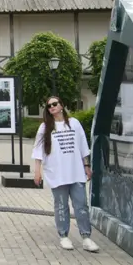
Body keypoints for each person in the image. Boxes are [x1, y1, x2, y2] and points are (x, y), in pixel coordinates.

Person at [32, 96, 100, 252]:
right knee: (61, 206)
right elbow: (38, 152)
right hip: (57, 173)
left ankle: (86, 237)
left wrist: (87, 166)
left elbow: (83, 146)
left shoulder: (74, 123)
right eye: (49, 106)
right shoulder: (45, 127)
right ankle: (64, 236)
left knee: (81, 205)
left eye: (55, 104)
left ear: (62, 105)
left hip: (75, 172)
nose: (52, 107)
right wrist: (37, 172)